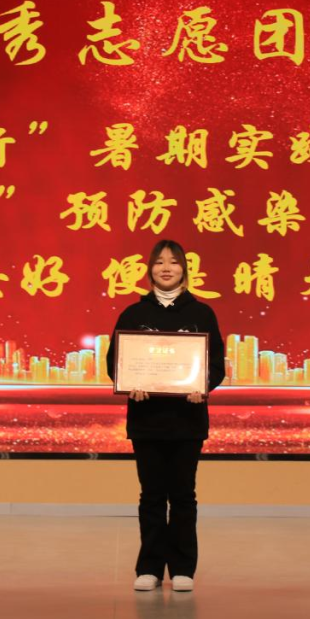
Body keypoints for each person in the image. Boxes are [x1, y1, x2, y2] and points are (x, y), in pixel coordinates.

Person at [105, 240, 225, 593]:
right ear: (150, 269)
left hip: (188, 421)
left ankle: (184, 568)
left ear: (184, 269)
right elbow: (115, 362)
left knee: (184, 495)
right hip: (147, 420)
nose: (166, 268)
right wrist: (130, 384)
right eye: (159, 262)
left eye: (173, 262)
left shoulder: (202, 313)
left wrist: (203, 386)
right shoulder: (133, 314)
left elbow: (216, 364)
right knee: (152, 496)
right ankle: (150, 568)